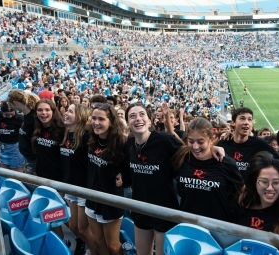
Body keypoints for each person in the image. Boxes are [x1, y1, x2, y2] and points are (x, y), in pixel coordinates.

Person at [125, 103, 224, 255]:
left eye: (142, 114)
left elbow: (190, 151)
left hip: (164, 210)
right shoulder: (130, 143)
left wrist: (212, 148)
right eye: (132, 116)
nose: (138, 119)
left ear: (150, 121)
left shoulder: (164, 140)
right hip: (140, 209)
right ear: (127, 123)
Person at [173, 117, 243, 221]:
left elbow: (239, 196)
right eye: (191, 141)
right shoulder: (182, 158)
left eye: (201, 142)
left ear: (211, 139)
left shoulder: (226, 163)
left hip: (218, 228)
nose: (195, 147)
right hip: (189, 225)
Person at [85, 103, 128, 255]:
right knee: (98, 241)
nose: (96, 123)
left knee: (113, 245)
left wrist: (125, 179)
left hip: (111, 199)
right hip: (91, 197)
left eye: (101, 119)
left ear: (111, 121)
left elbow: (132, 166)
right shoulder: (91, 139)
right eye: (94, 118)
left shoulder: (122, 142)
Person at [60, 103, 96, 255]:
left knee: (83, 228)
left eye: (70, 111)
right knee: (74, 227)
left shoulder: (87, 137)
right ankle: (92, 248)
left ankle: (96, 251)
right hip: (70, 187)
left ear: (80, 116)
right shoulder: (67, 134)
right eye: (66, 110)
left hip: (84, 189)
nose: (66, 113)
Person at [32, 99, 67, 241]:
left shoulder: (62, 130)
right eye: (40, 110)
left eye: (47, 110)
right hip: (42, 178)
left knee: (70, 221)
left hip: (59, 181)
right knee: (50, 216)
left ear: (53, 111)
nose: (43, 113)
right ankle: (62, 243)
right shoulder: (37, 128)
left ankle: (84, 244)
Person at [7, 90, 39, 175]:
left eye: (11, 105)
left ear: (15, 103)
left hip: (33, 160)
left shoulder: (33, 118)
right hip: (27, 158)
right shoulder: (25, 115)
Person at [0, 101, 24, 172]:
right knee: (4, 173)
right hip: (2, 146)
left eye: (12, 114)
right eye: (6, 115)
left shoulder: (19, 118)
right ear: (2, 112)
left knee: (16, 176)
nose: (9, 116)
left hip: (15, 147)